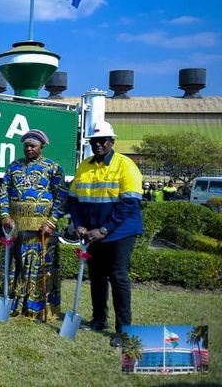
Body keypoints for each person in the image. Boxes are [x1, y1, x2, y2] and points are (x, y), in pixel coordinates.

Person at [68, 120, 143, 348]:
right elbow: (73, 199)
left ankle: (123, 331)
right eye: (94, 141)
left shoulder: (125, 165)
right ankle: (98, 320)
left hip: (119, 233)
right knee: (97, 278)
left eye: (103, 141)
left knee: (118, 278)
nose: (98, 144)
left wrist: (103, 230)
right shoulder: (85, 165)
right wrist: (79, 224)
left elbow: (129, 203)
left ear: (112, 142)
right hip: (91, 233)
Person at [0, 129, 67, 322]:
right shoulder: (14, 167)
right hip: (16, 227)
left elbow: (61, 197)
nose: (29, 148)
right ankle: (13, 305)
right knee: (16, 266)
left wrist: (52, 222)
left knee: (39, 268)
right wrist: (4, 215)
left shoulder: (53, 168)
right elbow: (4, 192)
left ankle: (37, 308)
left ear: (41, 147)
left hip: (41, 229)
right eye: (26, 145)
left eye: (33, 146)